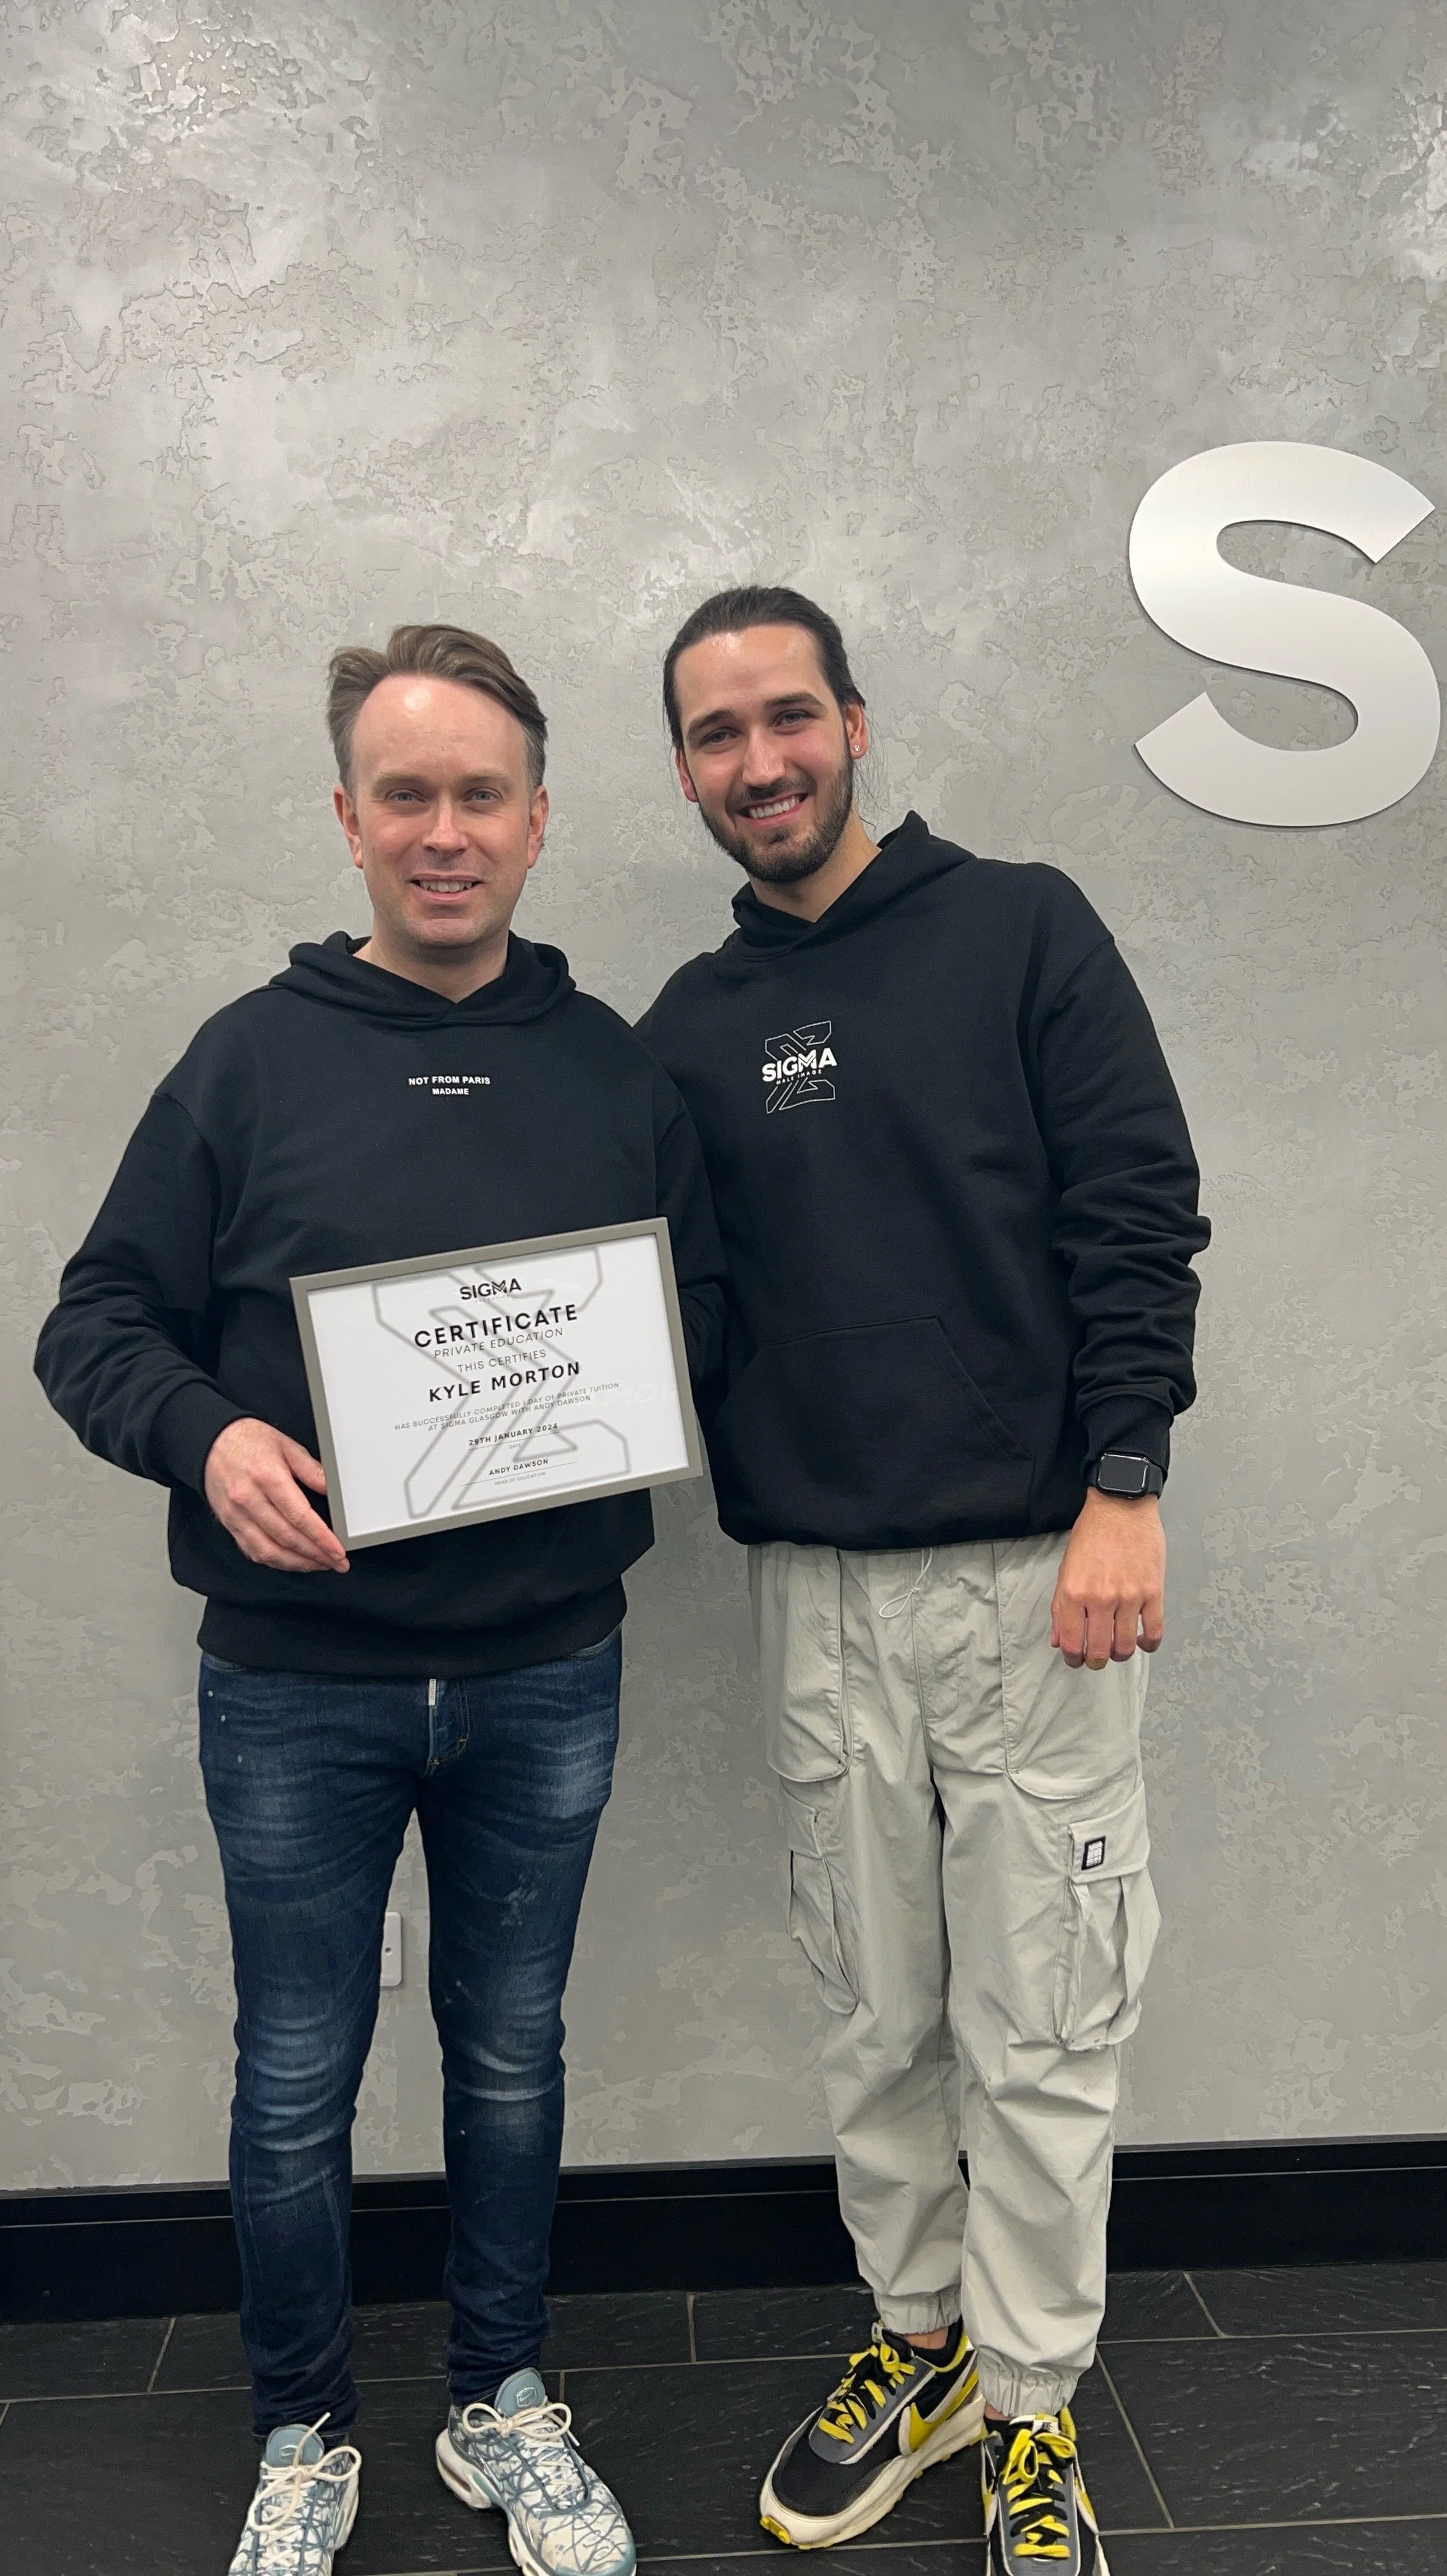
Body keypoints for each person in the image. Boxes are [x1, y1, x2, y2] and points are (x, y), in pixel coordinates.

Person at [35, 623, 726, 2576]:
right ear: (348, 819)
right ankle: (303, 2429)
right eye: (404, 795)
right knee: (292, 2077)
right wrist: (203, 1440)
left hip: (546, 1666)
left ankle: (502, 2402)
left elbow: (711, 1324)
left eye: (479, 795)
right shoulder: (241, 1064)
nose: (444, 832)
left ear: (537, 819)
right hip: (293, 1685)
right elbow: (91, 1325)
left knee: (512, 2055)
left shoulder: (617, 1074)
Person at [636, 586, 1209, 2576]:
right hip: (818, 1592)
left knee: (1042, 2022)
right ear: (686, 772)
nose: (759, 764)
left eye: (787, 719)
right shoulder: (686, 1035)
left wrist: (1125, 1482)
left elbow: (1137, 1202)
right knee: (873, 2014)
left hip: (1046, 1576)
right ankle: (922, 2344)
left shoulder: (1021, 927)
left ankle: (1035, 2407)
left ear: (854, 725)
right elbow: (643, 1315)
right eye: (716, 737)